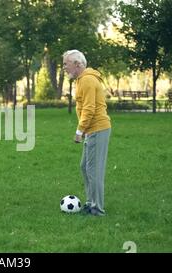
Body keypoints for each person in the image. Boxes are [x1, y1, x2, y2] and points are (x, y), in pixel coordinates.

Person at [62, 50, 111, 216]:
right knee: (85, 167)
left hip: (97, 128)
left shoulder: (88, 80)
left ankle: (97, 209)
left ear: (77, 64)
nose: (64, 68)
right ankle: (91, 203)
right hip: (93, 129)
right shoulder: (82, 80)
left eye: (66, 64)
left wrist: (79, 131)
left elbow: (89, 108)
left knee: (94, 170)